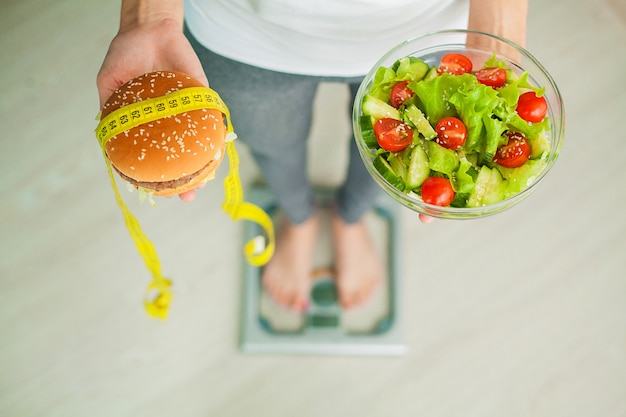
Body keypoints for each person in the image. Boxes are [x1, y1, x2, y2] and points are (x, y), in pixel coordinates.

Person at [97, 0, 528, 311]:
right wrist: (148, 16)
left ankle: (351, 217)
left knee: (395, 159)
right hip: (240, 34)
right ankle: (299, 218)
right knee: (272, 146)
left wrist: (497, 38)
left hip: (423, 33)